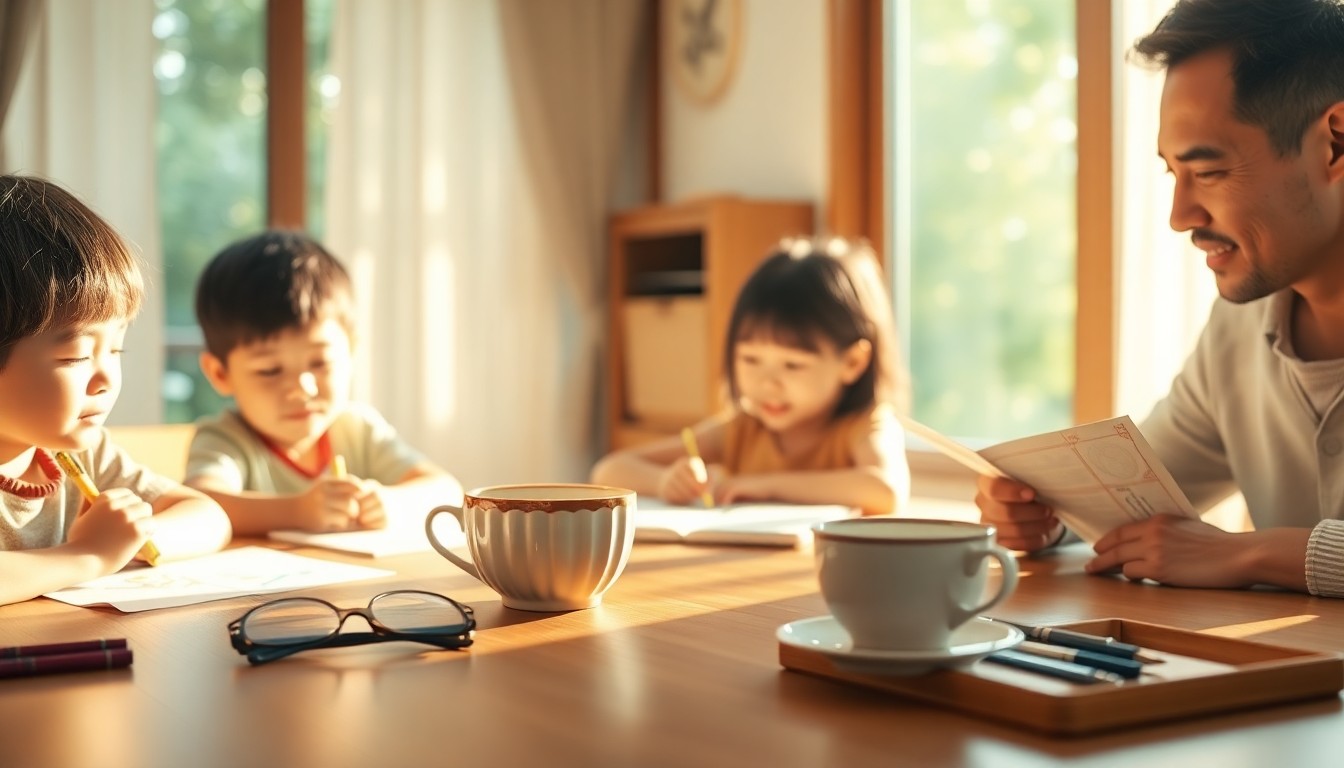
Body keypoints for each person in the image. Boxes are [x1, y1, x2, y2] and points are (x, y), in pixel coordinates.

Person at [976, 0, 1344, 596]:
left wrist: (1257, 554)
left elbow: (1222, 553)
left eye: (1210, 172)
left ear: (1335, 143)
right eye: (1173, 174)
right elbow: (1138, 496)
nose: (1181, 217)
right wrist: (1046, 516)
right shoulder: (1239, 325)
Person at [0, 173, 232, 606]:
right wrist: (89, 555)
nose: (106, 379)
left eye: (116, 349)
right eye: (75, 356)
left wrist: (129, 537)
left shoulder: (78, 454)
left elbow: (209, 517)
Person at [591, 236, 911, 515]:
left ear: (853, 362)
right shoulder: (739, 431)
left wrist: (763, 486)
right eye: (750, 359)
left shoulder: (865, 426)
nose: (767, 383)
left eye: (793, 365)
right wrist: (664, 481)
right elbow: (609, 471)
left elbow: (885, 490)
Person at [185, 230, 463, 535]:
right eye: (269, 370)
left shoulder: (357, 429)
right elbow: (202, 506)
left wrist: (392, 503)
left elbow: (446, 490)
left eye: (320, 363)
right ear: (220, 374)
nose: (303, 388)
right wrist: (297, 511)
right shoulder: (225, 440)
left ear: (351, 352)